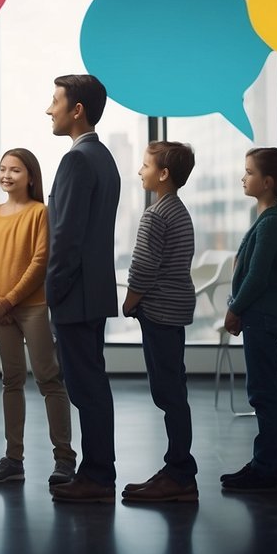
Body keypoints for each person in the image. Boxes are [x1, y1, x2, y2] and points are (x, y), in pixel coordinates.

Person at [43, 74, 120, 503]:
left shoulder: (76, 160)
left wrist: (53, 291)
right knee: (93, 384)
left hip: (75, 294)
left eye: (55, 101)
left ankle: (96, 476)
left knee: (85, 388)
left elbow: (68, 236)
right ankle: (98, 472)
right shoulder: (102, 157)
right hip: (94, 292)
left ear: (77, 110)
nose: (49, 109)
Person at [0, 148, 76, 488]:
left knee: (49, 379)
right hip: (1, 310)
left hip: (32, 306)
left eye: (15, 170)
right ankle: (13, 458)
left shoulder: (40, 213)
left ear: (30, 177)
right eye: (3, 168)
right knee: (11, 380)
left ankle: (64, 459)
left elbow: (40, 262)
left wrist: (6, 302)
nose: (7, 175)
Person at [120, 141, 198, 502]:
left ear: (163, 174)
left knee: (168, 393)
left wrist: (129, 302)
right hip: (174, 311)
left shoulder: (156, 214)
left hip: (160, 312)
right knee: (173, 390)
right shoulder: (178, 210)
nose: (140, 171)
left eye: (145, 165)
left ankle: (180, 473)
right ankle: (177, 469)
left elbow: (144, 267)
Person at [221, 147, 277, 492]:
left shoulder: (270, 224)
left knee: (263, 393)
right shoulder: (266, 220)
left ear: (267, 182)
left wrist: (235, 308)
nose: (243, 177)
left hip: (261, 318)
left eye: (249, 172)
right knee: (269, 391)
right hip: (260, 317)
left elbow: (257, 277)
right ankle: (270, 462)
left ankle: (268, 466)